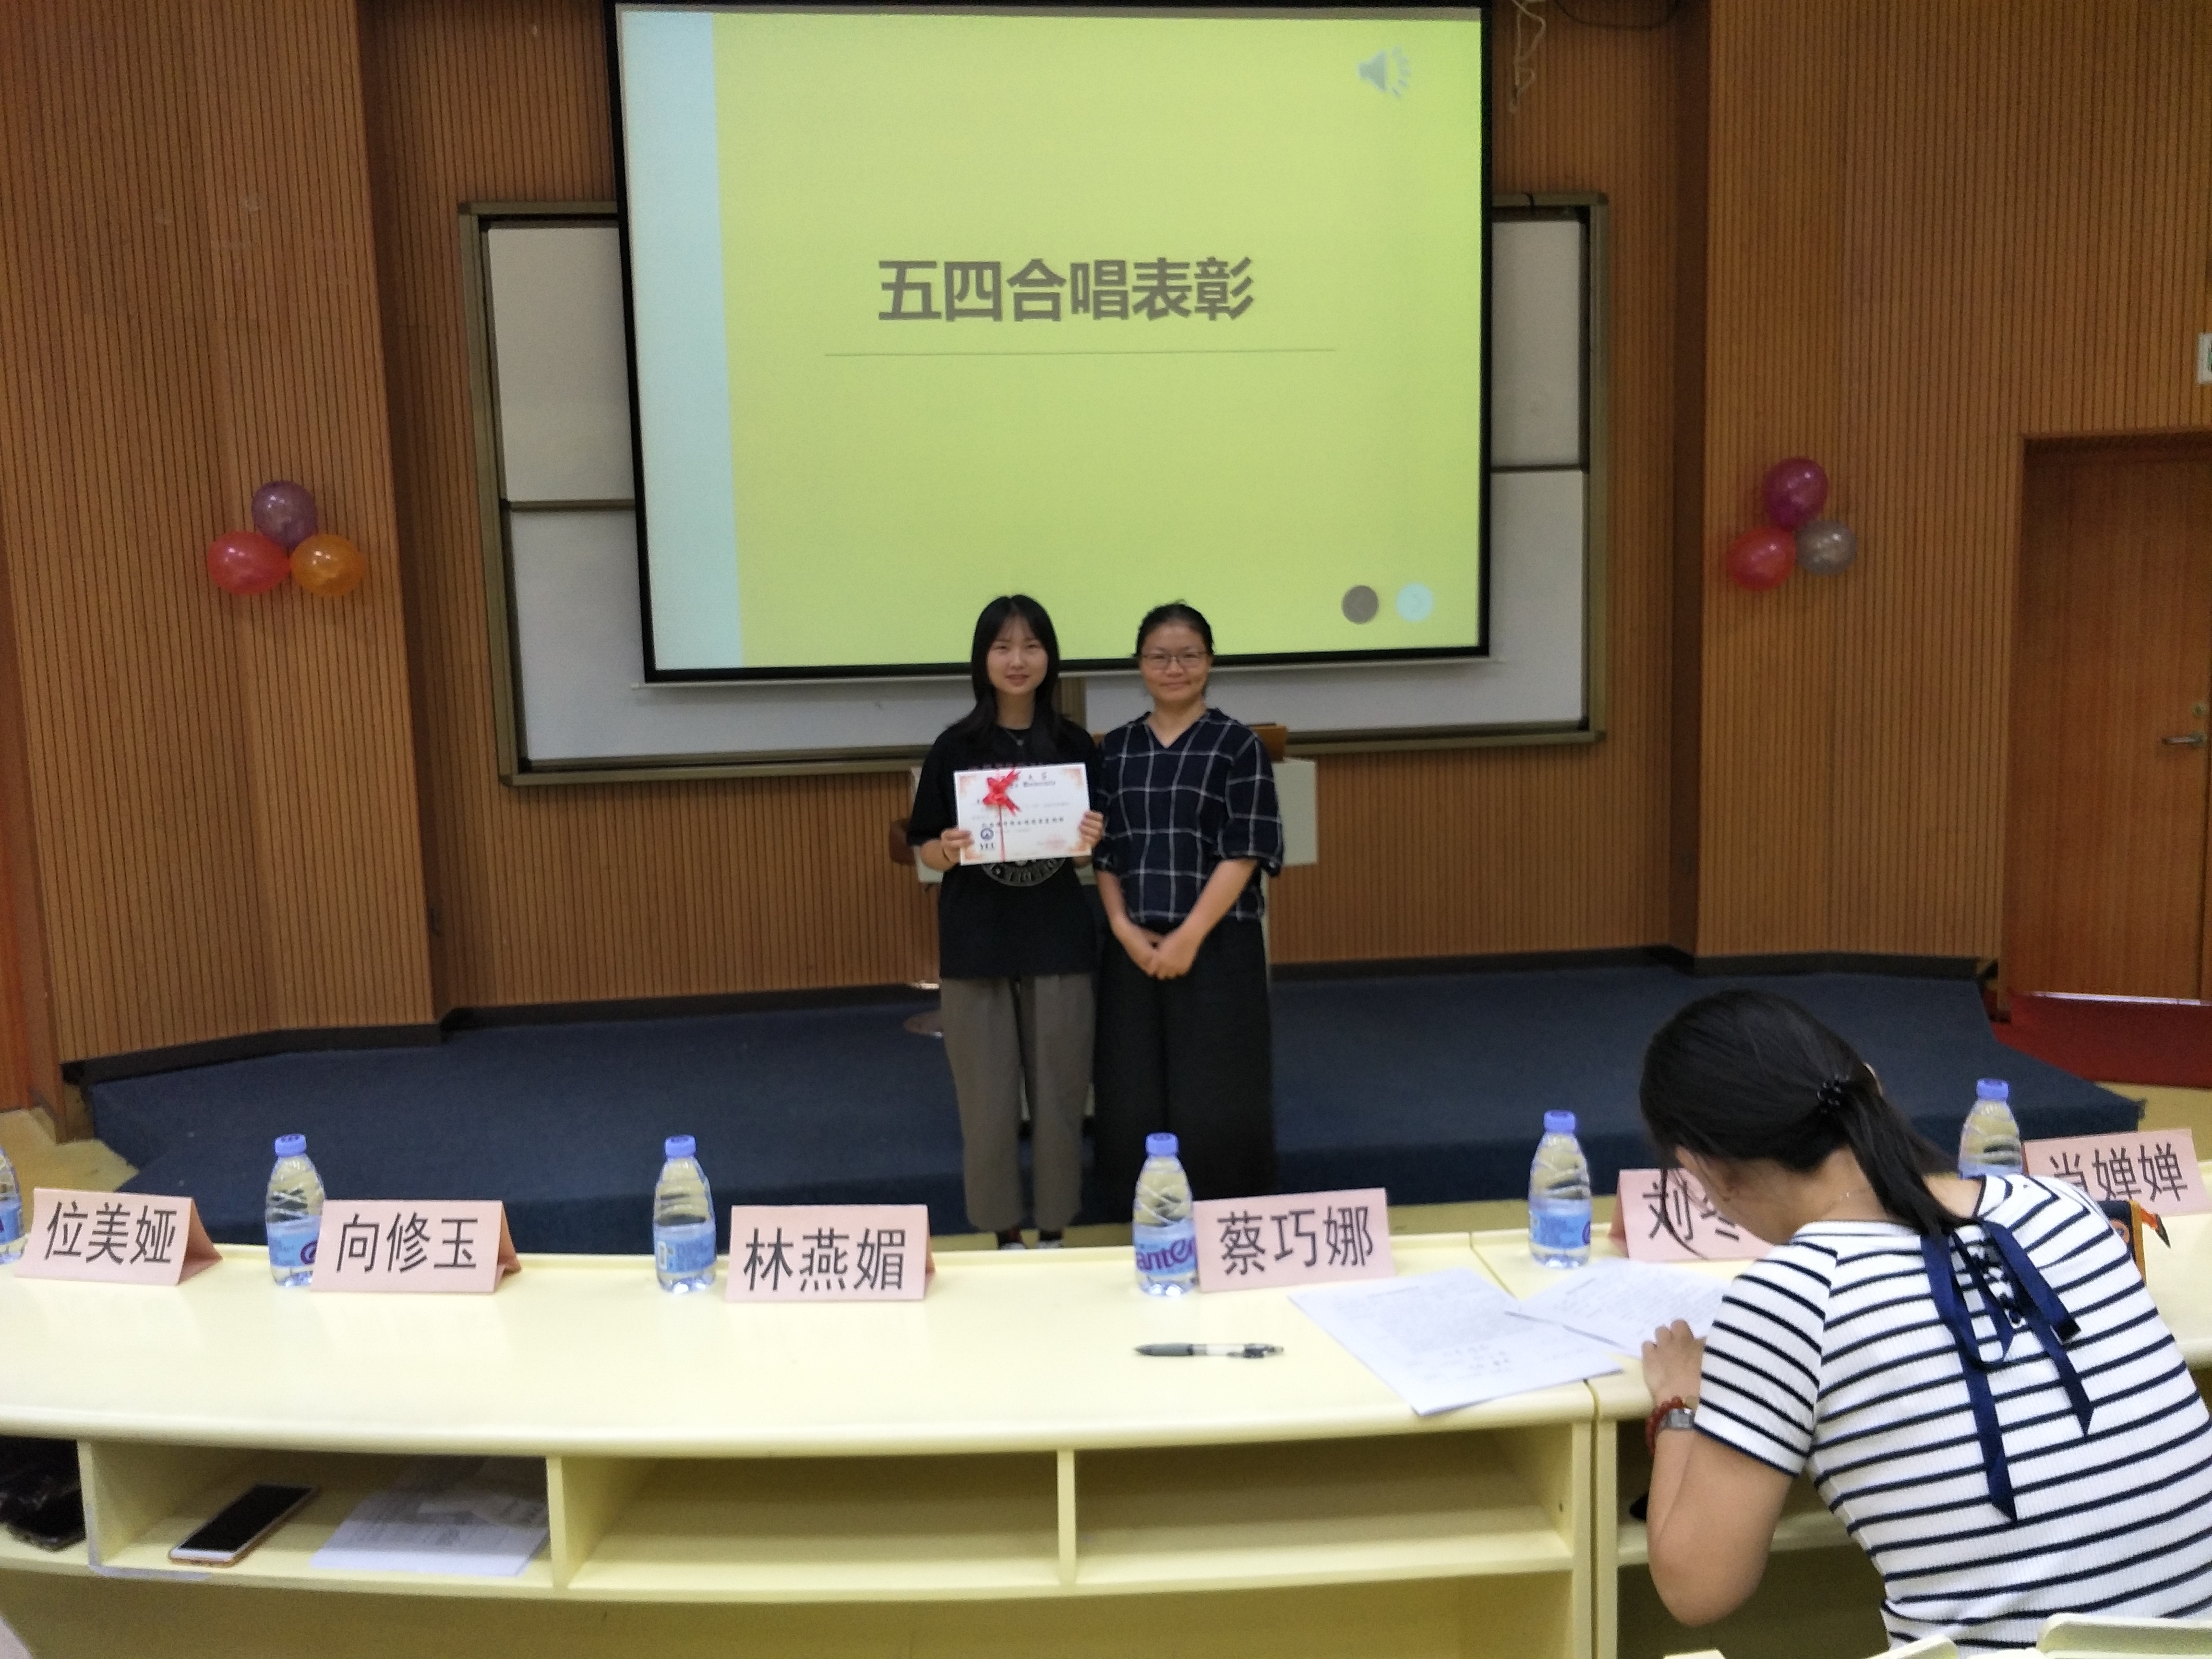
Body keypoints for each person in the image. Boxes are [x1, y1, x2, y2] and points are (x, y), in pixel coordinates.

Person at [1635, 989, 2212, 1652]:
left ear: (1704, 1168)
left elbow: (1697, 1589)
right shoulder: (2064, 1207)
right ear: (1871, 1086)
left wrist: (1680, 1403)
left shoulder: (1792, 1300)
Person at [906, 596, 1105, 1250]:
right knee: (987, 1106)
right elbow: (926, 847)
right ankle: (1005, 1235)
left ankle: (1055, 1231)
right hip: (977, 943)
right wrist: (948, 848)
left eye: (1031, 646)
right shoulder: (955, 747)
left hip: (1058, 939)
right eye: (1003, 647)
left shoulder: (1074, 745)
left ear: (1050, 658)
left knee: (1060, 1097)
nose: (1018, 661)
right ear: (982, 660)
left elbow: (1088, 853)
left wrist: (1088, 841)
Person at [1092, 602, 1284, 1207]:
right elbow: (1104, 851)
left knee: (1219, 1089)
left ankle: (1227, 1216)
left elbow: (1246, 849)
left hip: (1218, 943)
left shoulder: (1238, 745)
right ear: (1140, 665)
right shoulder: (1117, 748)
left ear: (1210, 662)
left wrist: (1189, 936)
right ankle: (1143, 1215)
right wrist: (1123, 928)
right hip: (1133, 945)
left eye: (1188, 656)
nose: (1174, 668)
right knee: (1132, 1087)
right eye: (1159, 657)